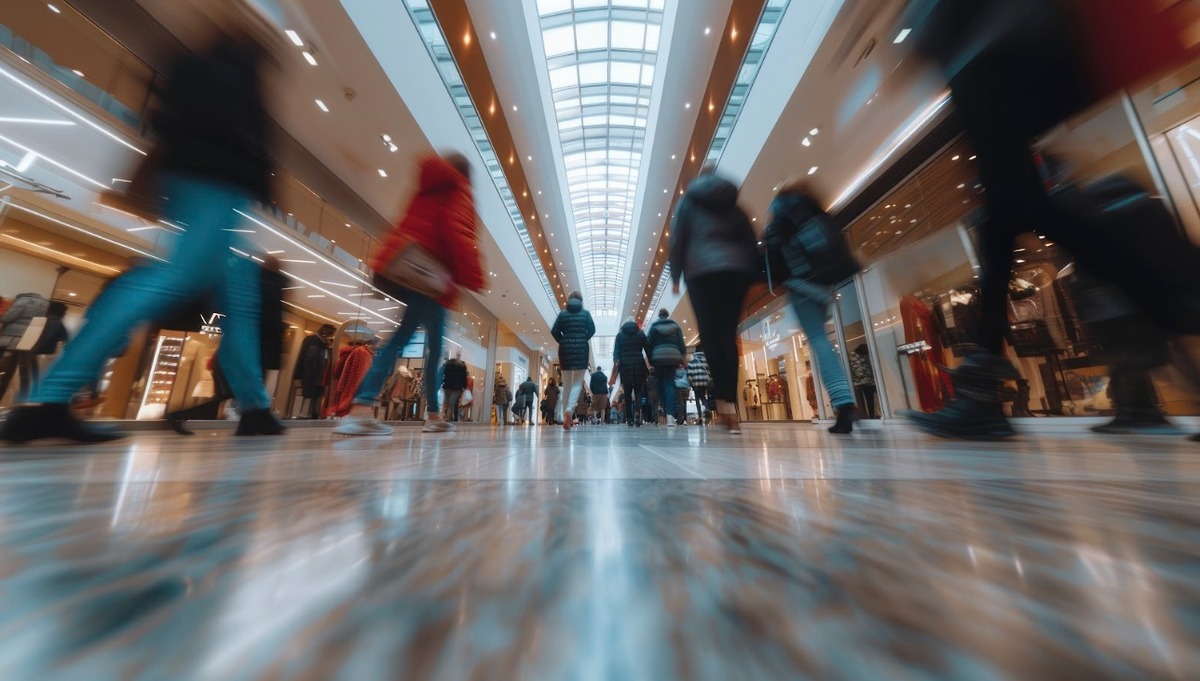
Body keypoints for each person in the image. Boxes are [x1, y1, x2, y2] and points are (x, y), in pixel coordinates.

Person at [900, 0, 1200, 440]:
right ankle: (982, 397)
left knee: (1015, 211)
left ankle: (1174, 304)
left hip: (991, 51)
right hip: (993, 48)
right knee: (1005, 218)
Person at [2, 27, 283, 444]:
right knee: (174, 276)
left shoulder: (210, 67)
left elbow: (169, 119)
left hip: (209, 183)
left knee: (239, 298)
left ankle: (255, 407)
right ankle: (49, 399)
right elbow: (222, 132)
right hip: (216, 184)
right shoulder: (232, 75)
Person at [332, 152, 485, 436]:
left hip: (413, 272)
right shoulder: (459, 191)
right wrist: (474, 277)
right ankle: (362, 408)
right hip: (433, 280)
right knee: (420, 348)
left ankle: (428, 414)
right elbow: (457, 234)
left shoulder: (429, 186)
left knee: (410, 342)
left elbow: (409, 225)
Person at [764, 180, 859, 434]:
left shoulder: (781, 215)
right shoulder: (815, 210)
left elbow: (772, 254)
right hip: (826, 284)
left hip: (800, 285)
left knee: (818, 340)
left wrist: (777, 281)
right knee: (823, 340)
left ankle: (844, 403)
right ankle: (845, 400)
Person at [670, 165, 758, 434]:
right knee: (728, 337)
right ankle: (731, 407)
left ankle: (725, 409)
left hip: (702, 273)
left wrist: (676, 275)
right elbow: (749, 237)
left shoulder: (688, 202)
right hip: (735, 272)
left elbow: (678, 238)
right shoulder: (733, 204)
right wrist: (752, 274)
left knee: (710, 338)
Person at [551, 290, 596, 431]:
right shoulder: (586, 314)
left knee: (567, 384)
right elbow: (592, 330)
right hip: (581, 349)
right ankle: (569, 410)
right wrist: (583, 338)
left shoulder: (563, 314)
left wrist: (563, 340)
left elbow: (554, 331)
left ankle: (567, 415)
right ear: (581, 301)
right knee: (577, 382)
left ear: (569, 300)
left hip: (565, 350)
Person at [647, 308, 687, 427]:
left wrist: (650, 359)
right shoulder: (675, 326)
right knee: (669, 384)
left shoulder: (654, 327)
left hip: (658, 358)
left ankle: (667, 412)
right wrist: (682, 356)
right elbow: (681, 344)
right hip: (672, 358)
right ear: (667, 315)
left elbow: (649, 344)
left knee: (661, 386)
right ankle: (670, 415)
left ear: (659, 316)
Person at [611, 318, 649, 427]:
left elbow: (616, 351)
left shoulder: (620, 336)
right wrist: (651, 362)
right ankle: (638, 413)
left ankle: (629, 418)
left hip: (625, 366)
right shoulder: (640, 334)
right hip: (638, 364)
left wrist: (616, 360)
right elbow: (647, 348)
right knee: (638, 391)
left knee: (627, 393)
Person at [850, 344, 878, 419]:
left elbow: (851, 370)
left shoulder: (851, 356)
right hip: (867, 382)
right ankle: (871, 416)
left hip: (859, 383)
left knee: (861, 402)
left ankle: (864, 416)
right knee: (870, 401)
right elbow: (870, 368)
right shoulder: (866, 356)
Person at [686, 344, 713, 424]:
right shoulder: (706, 358)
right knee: (703, 397)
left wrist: (690, 382)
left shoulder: (693, 358)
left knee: (697, 399)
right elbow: (709, 370)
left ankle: (700, 418)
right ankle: (707, 409)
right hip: (705, 382)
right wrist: (709, 380)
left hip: (696, 382)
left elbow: (690, 372)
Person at [441, 351, 468, 423]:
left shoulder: (447, 364)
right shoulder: (462, 366)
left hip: (448, 385)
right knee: (452, 402)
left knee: (447, 401)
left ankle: (446, 417)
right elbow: (464, 377)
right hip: (457, 386)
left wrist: (441, 382)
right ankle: (450, 417)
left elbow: (442, 374)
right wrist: (464, 386)